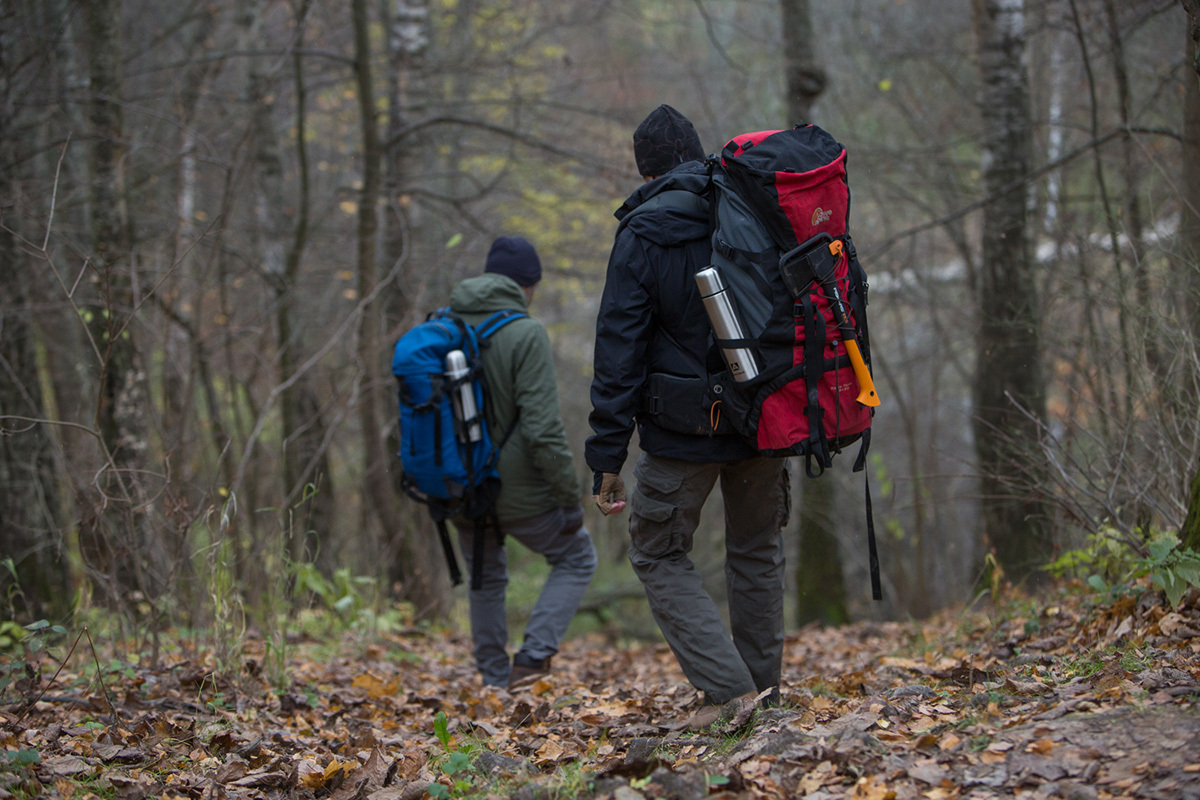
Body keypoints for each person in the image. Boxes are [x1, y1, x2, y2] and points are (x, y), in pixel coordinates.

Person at [586, 105, 790, 729]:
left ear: (644, 169)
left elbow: (619, 350)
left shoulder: (643, 232)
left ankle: (731, 696)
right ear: (698, 154)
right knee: (756, 549)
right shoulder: (752, 208)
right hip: (762, 414)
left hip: (684, 431)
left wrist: (606, 457)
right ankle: (762, 694)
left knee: (656, 551)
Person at [449, 236, 597, 689]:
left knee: (486, 575)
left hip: (456, 482)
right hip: (516, 489)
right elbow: (542, 429)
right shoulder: (525, 331)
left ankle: (494, 682)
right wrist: (568, 497)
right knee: (577, 556)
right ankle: (532, 661)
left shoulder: (444, 324)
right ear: (528, 286)